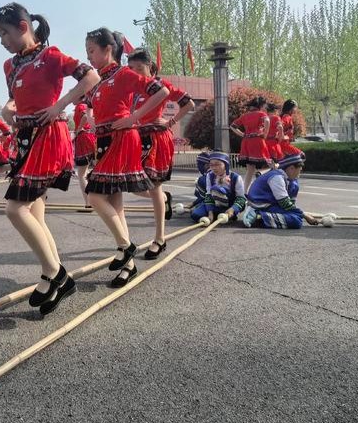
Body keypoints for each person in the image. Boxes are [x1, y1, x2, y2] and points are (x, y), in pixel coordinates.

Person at [0, 2, 99, 315]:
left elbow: (90, 76)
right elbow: (14, 99)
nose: (2, 41)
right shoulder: (10, 66)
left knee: (15, 209)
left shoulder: (51, 56)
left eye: (5, 33)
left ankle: (57, 274)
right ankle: (52, 273)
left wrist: (59, 105)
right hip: (25, 139)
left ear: (23, 27)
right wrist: (7, 110)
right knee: (34, 214)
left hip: (48, 136)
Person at [84, 28, 171, 286]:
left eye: (92, 51)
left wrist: (133, 117)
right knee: (115, 204)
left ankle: (126, 245)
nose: (89, 57)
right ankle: (128, 265)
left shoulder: (123, 74)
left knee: (94, 196)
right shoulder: (99, 80)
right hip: (105, 141)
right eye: (87, 52)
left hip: (122, 139)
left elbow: (161, 92)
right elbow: (90, 107)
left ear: (108, 50)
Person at [127, 47, 195, 258]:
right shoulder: (131, 89)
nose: (135, 72)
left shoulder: (161, 85)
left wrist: (170, 121)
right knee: (133, 187)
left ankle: (159, 239)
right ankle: (165, 198)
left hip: (156, 139)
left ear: (151, 67)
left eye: (139, 68)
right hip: (137, 139)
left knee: (154, 186)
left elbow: (189, 104)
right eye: (131, 68)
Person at [241, 152, 321, 229]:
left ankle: (263, 217)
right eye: (299, 170)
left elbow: (290, 205)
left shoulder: (292, 181)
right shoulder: (277, 177)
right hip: (260, 205)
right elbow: (284, 203)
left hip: (271, 205)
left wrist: (300, 213)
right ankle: (259, 216)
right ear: (291, 168)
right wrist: (304, 215)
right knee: (296, 221)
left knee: (296, 216)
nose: (300, 172)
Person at [190, 151, 246, 223]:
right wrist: (210, 212)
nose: (214, 168)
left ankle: (228, 213)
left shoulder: (236, 177)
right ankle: (218, 214)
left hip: (230, 204)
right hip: (215, 204)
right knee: (195, 215)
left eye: (217, 164)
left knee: (216, 189)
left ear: (225, 164)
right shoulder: (209, 176)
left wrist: (232, 209)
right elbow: (208, 195)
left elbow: (241, 198)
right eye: (211, 165)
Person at [231, 97, 272, 188]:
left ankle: (245, 191)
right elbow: (267, 120)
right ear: (260, 105)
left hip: (246, 142)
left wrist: (242, 134)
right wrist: (265, 134)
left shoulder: (245, 116)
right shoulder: (261, 114)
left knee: (250, 169)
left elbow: (232, 126)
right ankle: (260, 173)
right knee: (268, 165)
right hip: (257, 140)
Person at [72, 97, 96, 208]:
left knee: (82, 174)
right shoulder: (86, 105)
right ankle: (98, 199)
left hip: (84, 138)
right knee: (93, 171)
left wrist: (78, 129)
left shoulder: (80, 106)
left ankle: (88, 202)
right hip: (91, 136)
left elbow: (85, 116)